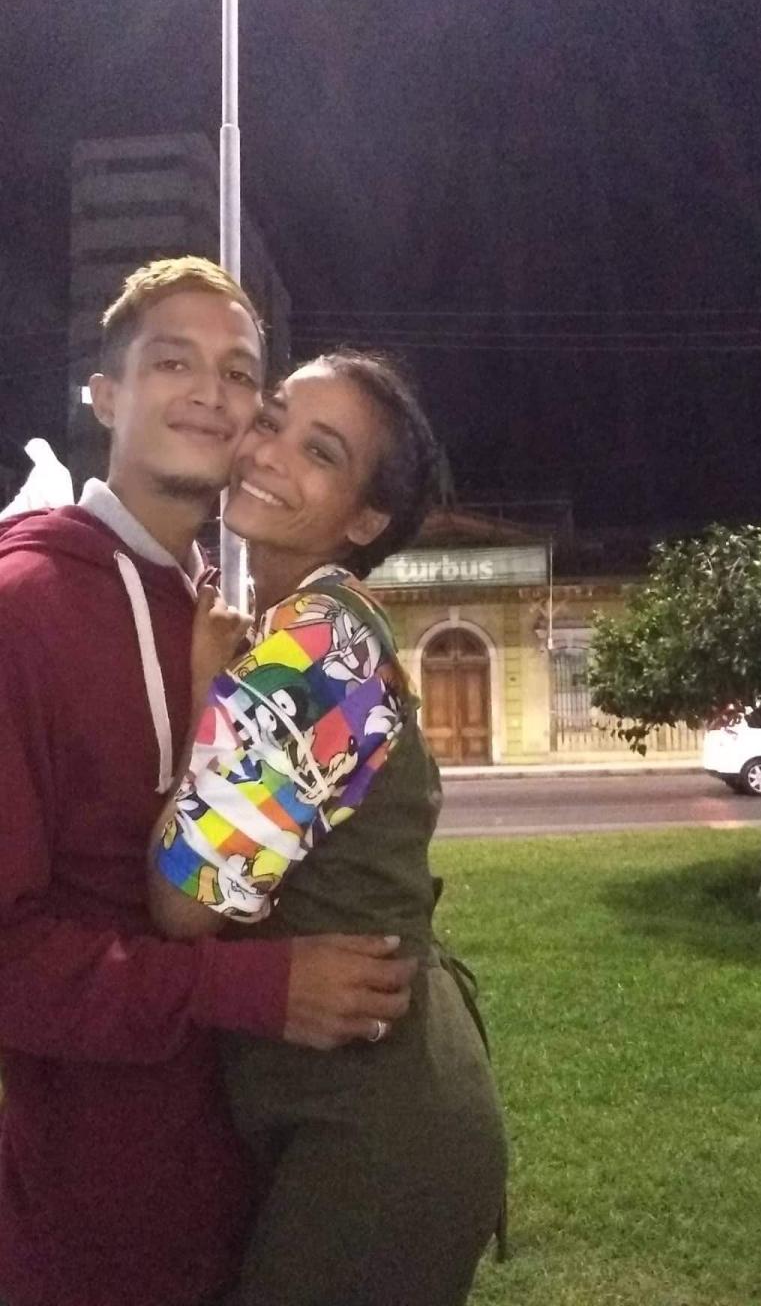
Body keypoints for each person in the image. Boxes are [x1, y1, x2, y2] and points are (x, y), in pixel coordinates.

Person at [0, 259, 416, 1306]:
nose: (213, 395)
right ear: (105, 394)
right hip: (96, 1220)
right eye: (172, 362)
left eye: (239, 375)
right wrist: (256, 989)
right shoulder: (23, 607)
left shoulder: (242, 626)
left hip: (276, 1158)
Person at [148, 350, 509, 1306]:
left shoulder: (314, 647)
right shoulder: (307, 626)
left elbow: (184, 908)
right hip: (371, 1096)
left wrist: (202, 689)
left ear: (364, 520)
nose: (270, 452)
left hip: (377, 1133)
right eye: (272, 421)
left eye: (322, 452)